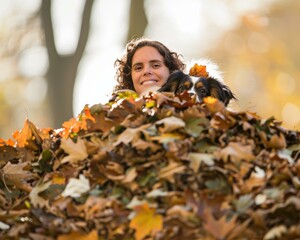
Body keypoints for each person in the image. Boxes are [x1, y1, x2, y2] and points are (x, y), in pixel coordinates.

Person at [112, 37, 186, 96]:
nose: (146, 71)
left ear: (171, 72)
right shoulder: (111, 112)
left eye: (155, 65)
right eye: (138, 68)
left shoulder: (193, 109)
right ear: (130, 77)